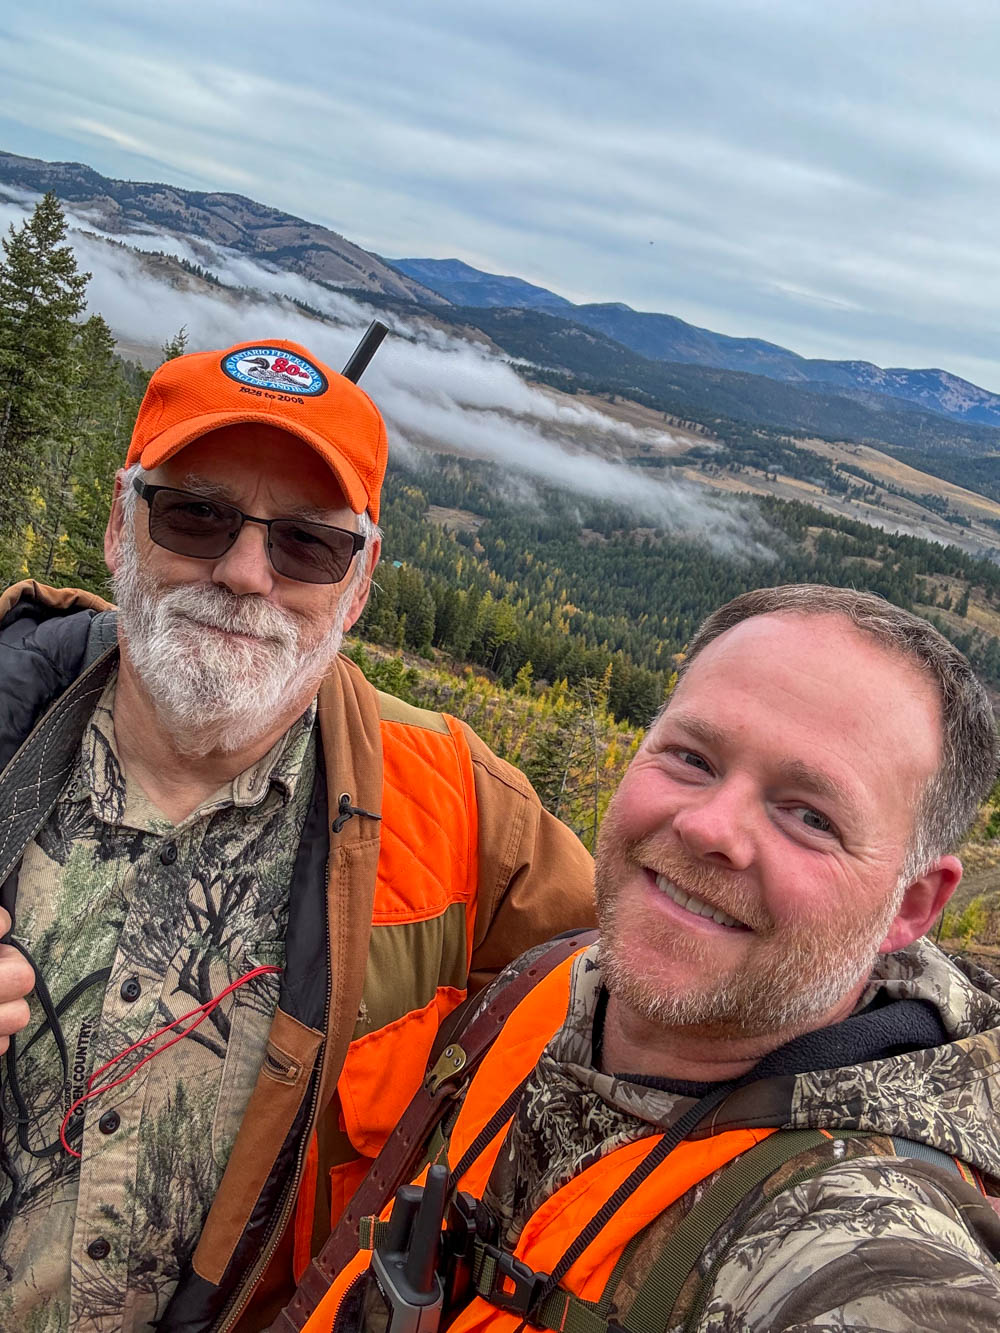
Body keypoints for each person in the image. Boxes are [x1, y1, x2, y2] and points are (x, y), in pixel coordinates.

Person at [0, 338, 595, 1332]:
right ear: (118, 524)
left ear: (358, 585)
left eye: (308, 544)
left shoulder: (465, 816)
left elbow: (657, 1003)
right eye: (195, 516)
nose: (244, 573)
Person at [303, 584, 1000, 1333]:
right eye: (693, 758)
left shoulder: (866, 1246)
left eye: (810, 815)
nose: (709, 827)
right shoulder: (542, 985)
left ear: (912, 905)